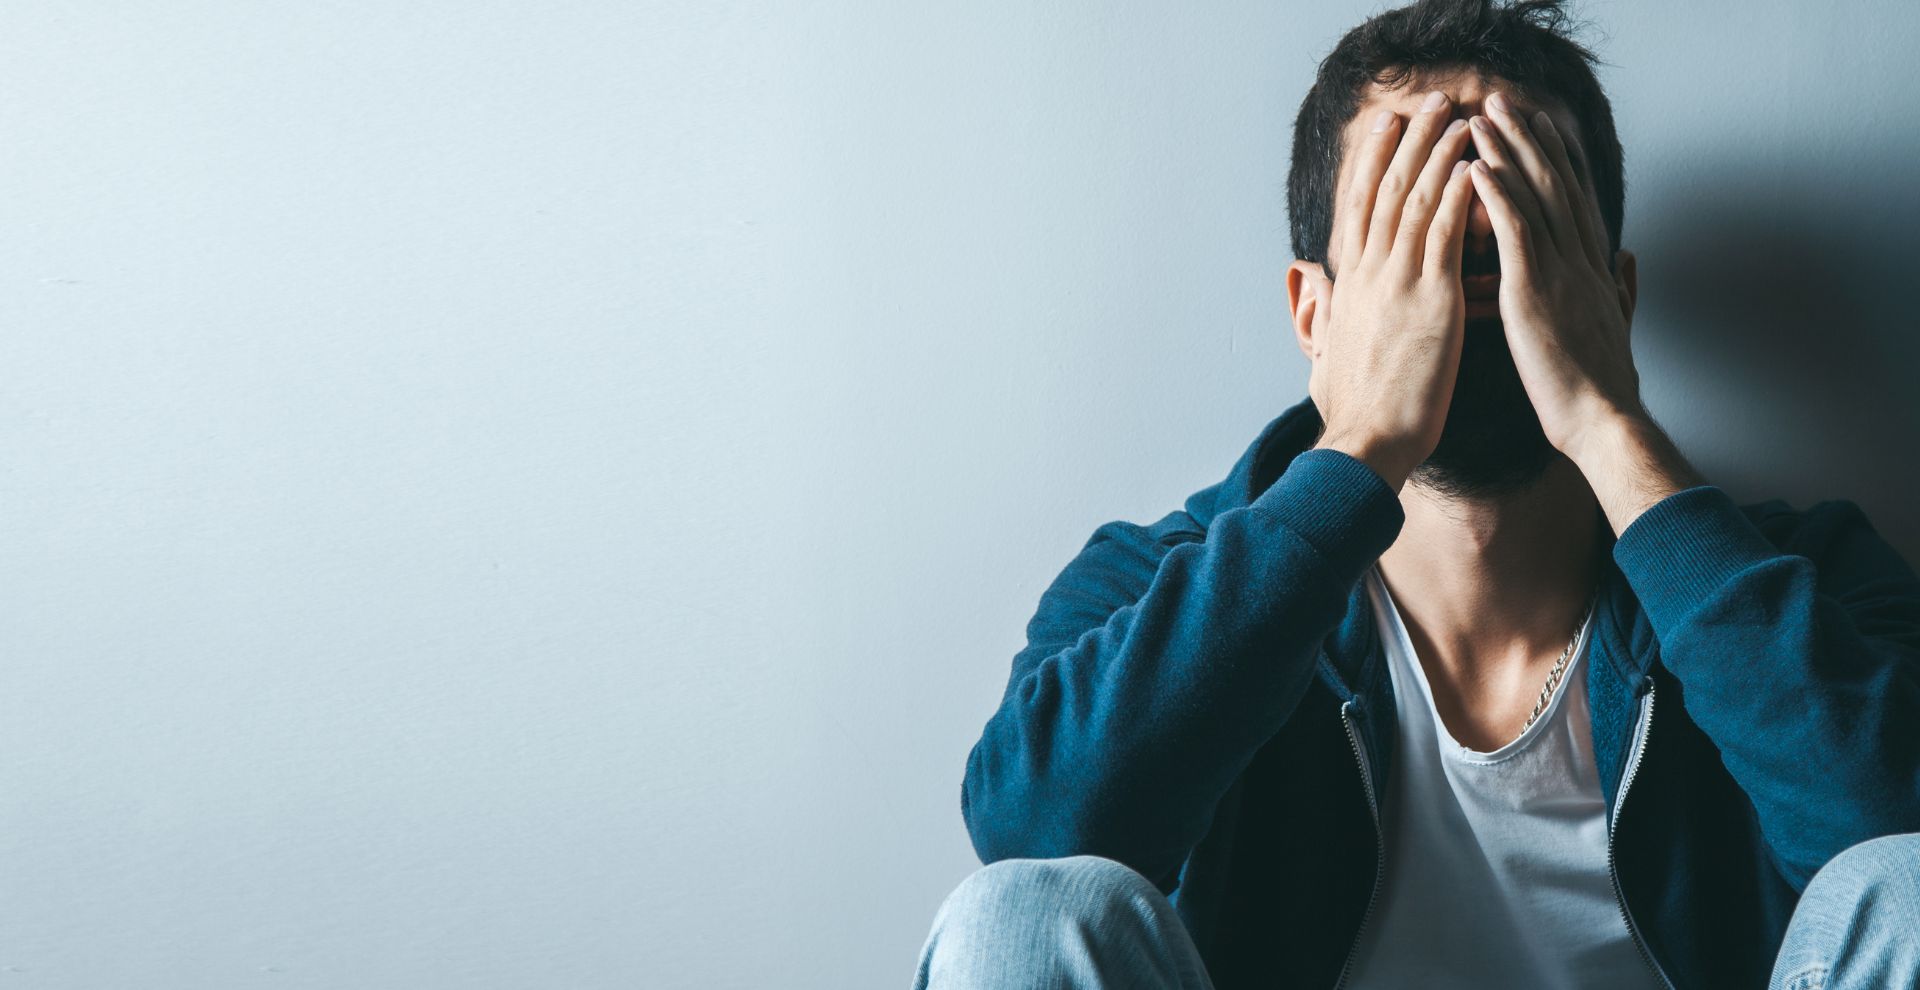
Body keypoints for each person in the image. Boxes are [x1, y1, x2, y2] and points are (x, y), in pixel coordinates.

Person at [911, 1, 1920, 988]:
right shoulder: (1156, 588)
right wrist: (1358, 445)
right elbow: (1035, 832)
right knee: (1021, 916)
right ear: (1316, 310)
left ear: (1613, 296)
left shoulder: (1805, 583)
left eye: (1517, 240)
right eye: (1414, 246)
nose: (1468, 296)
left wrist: (1610, 428)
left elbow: (1890, 834)